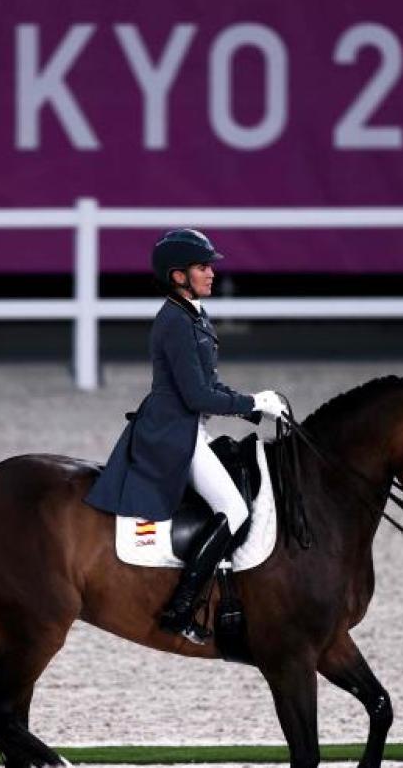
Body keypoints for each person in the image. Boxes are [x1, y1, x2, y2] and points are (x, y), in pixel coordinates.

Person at [85, 228, 287, 641]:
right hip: (174, 431)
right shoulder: (175, 322)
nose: (211, 273)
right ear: (178, 276)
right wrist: (252, 403)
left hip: (187, 425)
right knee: (234, 510)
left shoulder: (192, 312)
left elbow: (207, 383)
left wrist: (254, 405)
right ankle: (182, 608)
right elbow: (197, 395)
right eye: (202, 267)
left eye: (210, 266)